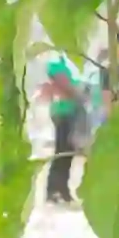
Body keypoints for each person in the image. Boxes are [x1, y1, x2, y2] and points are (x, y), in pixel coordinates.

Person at [42, 51, 85, 204]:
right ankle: (53, 189)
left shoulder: (70, 62)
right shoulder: (56, 60)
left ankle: (62, 189)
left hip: (71, 111)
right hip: (62, 111)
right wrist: (80, 94)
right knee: (62, 151)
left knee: (68, 152)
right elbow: (64, 84)